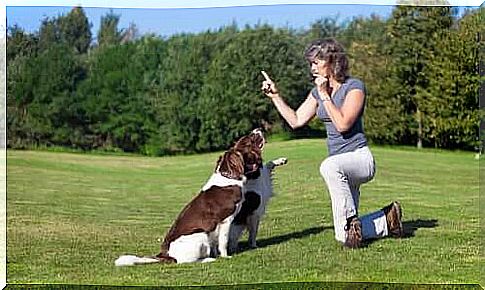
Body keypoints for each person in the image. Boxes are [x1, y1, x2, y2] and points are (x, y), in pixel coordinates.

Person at [261, 38, 403, 248]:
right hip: (340, 167)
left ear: (332, 61)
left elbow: (343, 124)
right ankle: (388, 219)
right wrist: (275, 96)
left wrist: (325, 95)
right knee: (344, 237)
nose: (312, 69)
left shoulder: (354, 87)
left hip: (359, 159)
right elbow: (296, 120)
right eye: (311, 64)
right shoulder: (317, 92)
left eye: (316, 63)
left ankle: (352, 222)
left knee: (328, 165)